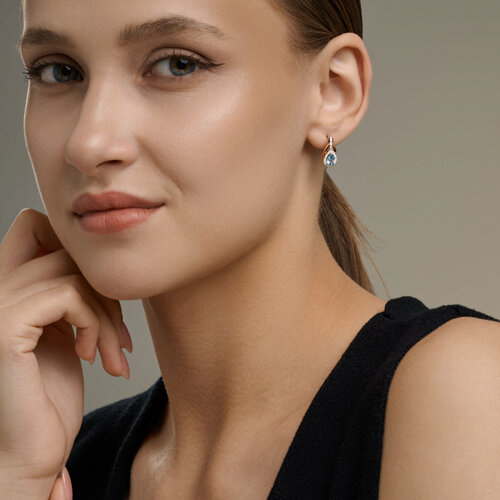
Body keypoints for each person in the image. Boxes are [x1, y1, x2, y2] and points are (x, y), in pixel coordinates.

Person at [2, 0, 499, 498]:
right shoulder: (58, 461)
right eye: (58, 71)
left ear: (332, 91)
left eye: (177, 64)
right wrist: (16, 474)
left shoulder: (467, 392)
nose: (88, 143)